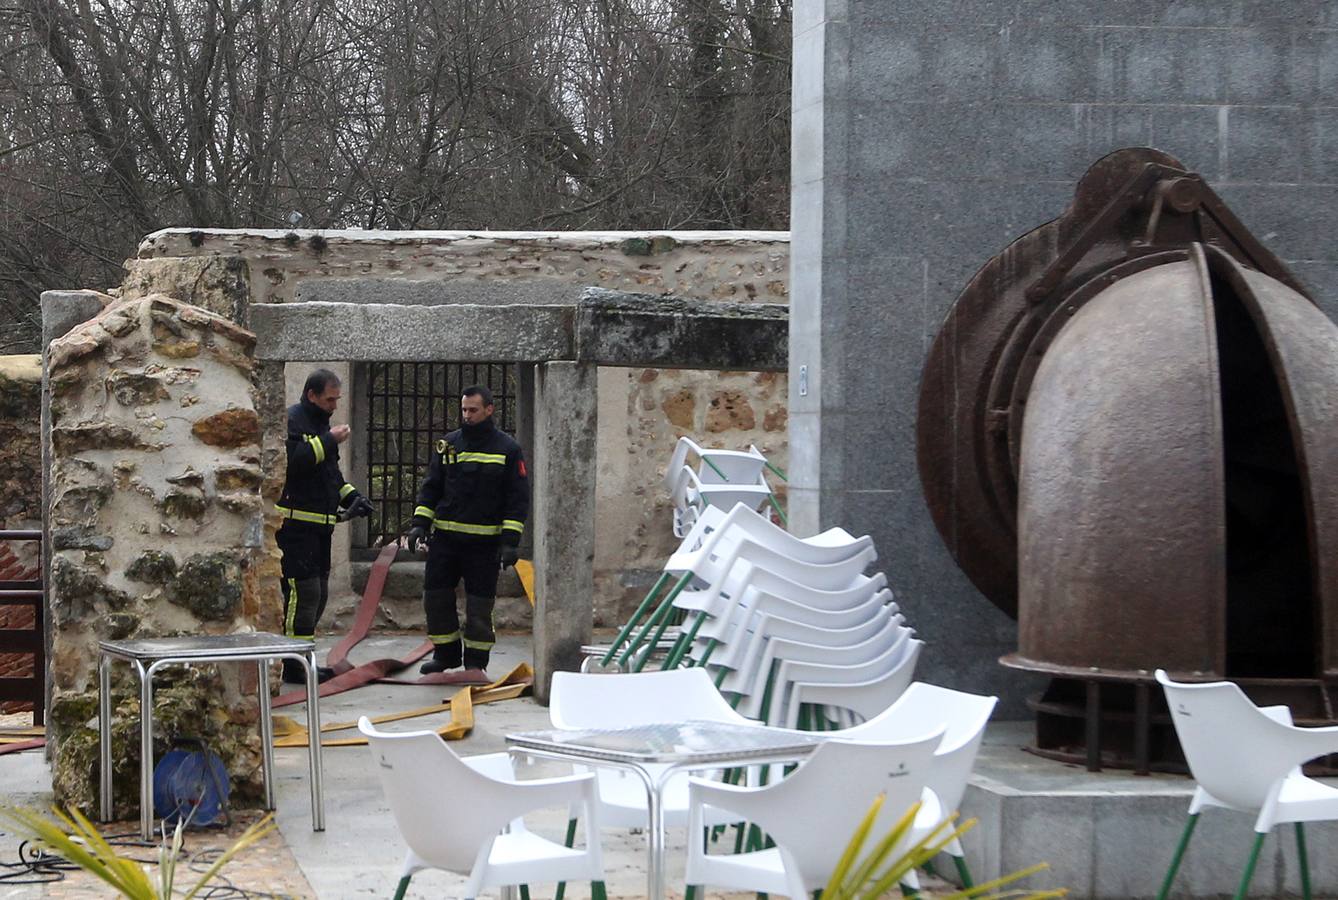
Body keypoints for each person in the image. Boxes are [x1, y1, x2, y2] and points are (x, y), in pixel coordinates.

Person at [405, 385, 529, 673]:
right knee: (435, 598)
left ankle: (475, 663)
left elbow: (517, 499)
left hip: (484, 545)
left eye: (473, 410)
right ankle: (445, 655)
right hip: (445, 542)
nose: (467, 415)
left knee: (479, 607)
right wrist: (419, 524)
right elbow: (431, 487)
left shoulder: (508, 449)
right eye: (464, 410)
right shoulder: (449, 444)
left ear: (489, 410)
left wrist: (510, 542)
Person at [276, 369, 374, 684]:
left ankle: (302, 660)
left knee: (317, 597)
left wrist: (353, 498)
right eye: (330, 399)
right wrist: (328, 441)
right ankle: (293, 665)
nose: (334, 405)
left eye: (337, 400)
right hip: (295, 529)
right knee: (301, 596)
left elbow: (330, 476)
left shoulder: (320, 425)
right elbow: (294, 462)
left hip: (320, 531)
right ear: (312, 395)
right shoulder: (292, 422)